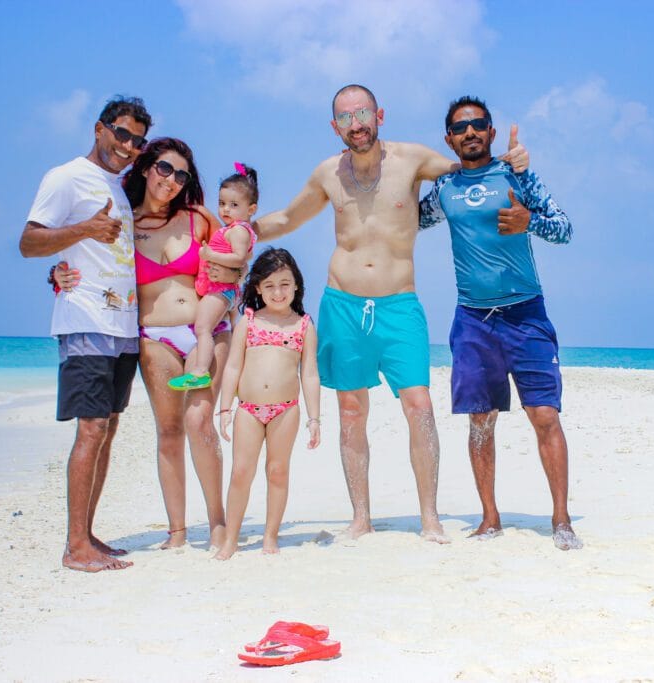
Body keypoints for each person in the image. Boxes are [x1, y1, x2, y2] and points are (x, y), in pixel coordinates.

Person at [254, 84, 528, 542]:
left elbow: (472, 168)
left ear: (379, 113)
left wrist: (513, 161)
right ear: (334, 126)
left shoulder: (413, 159)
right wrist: (235, 231)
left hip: (399, 304)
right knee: (350, 410)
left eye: (362, 113)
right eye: (345, 118)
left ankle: (430, 517)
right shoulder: (328, 173)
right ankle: (360, 517)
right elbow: (285, 220)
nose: (356, 124)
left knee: (419, 405)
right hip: (342, 304)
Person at [54, 138, 239, 550]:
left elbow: (236, 261)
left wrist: (231, 308)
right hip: (152, 335)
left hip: (203, 333)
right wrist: (59, 273)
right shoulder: (123, 221)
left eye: (182, 175)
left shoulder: (197, 217)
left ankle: (218, 523)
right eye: (165, 169)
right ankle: (176, 531)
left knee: (199, 423)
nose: (172, 180)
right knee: (169, 430)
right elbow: (86, 260)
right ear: (145, 168)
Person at [418, 95, 583, 551]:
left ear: (491, 132)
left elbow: (564, 228)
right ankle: (490, 519)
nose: (470, 132)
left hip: (526, 313)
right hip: (473, 319)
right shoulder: (444, 191)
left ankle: (562, 520)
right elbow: (404, 222)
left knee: (544, 415)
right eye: (460, 127)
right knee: (480, 423)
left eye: (478, 124)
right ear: (449, 139)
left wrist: (529, 221)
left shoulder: (516, 174)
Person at [19, 96, 152, 572]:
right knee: (91, 429)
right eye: (121, 134)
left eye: (138, 140)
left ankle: (88, 535)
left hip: (122, 326)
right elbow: (29, 242)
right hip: (85, 321)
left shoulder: (119, 185)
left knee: (108, 429)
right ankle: (75, 547)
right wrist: (83, 232)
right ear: (100, 129)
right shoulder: (66, 176)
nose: (129, 146)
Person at [215, 248, 321, 558]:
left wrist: (315, 419)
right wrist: (225, 408)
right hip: (248, 409)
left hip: (285, 410)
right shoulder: (248, 321)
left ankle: (270, 537)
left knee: (277, 471)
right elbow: (233, 366)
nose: (278, 292)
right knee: (241, 472)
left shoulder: (303, 324)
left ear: (297, 285)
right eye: (270, 285)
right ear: (258, 288)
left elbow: (310, 375)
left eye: (285, 284)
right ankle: (231, 539)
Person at [168, 163, 258, 391]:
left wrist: (209, 254)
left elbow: (239, 259)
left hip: (220, 290)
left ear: (251, 209)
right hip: (221, 290)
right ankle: (238, 376)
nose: (226, 209)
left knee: (203, 329)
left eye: (234, 205)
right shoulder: (231, 229)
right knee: (230, 332)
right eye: (222, 203)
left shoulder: (238, 230)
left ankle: (200, 371)